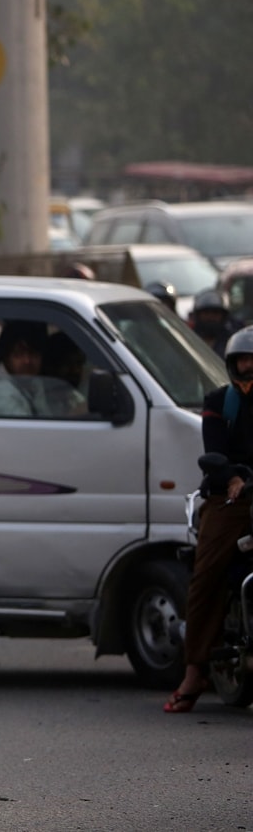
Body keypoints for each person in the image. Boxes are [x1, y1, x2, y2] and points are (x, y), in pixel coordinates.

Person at [168, 328, 253, 712]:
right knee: (206, 574)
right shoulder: (219, 402)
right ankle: (195, 670)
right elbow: (213, 452)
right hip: (230, 497)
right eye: (242, 361)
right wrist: (232, 477)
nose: (248, 367)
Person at [0, 320, 60, 417]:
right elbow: (28, 426)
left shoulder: (34, 383)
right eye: (18, 354)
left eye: (34, 354)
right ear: (6, 357)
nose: (27, 361)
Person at [188, 290, 239, 357]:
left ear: (223, 316)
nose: (210, 317)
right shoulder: (188, 338)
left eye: (215, 312)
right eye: (206, 313)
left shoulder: (232, 342)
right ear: (198, 315)